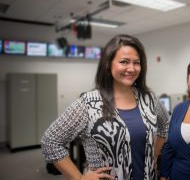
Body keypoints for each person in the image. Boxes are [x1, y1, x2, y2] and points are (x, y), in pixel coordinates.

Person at [41, 34, 169, 180]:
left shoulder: (149, 98)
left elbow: (165, 125)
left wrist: (153, 154)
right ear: (108, 64)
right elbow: (50, 142)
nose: (131, 68)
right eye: (124, 62)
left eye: (136, 63)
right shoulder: (89, 103)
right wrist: (80, 178)